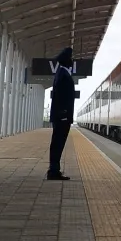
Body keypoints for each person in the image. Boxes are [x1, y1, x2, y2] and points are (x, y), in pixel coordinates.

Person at [47, 48, 78, 180]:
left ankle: (54, 170)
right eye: (71, 58)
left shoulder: (61, 73)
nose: (72, 61)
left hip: (61, 115)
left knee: (57, 143)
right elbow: (61, 96)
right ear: (67, 60)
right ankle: (53, 171)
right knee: (58, 143)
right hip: (62, 116)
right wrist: (64, 113)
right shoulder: (64, 75)